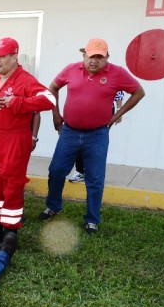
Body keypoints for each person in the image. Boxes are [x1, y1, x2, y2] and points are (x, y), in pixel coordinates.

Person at [39, 38, 145, 233]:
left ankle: (92, 219)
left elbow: (138, 92)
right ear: (83, 55)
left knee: (95, 178)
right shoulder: (71, 69)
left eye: (99, 57)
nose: (94, 61)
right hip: (69, 132)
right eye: (90, 56)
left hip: (97, 135)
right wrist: (56, 114)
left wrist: (116, 116)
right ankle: (53, 207)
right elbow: (52, 88)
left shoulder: (117, 73)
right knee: (56, 171)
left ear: (107, 58)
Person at [0, 38, 54, 247]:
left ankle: (10, 234)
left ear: (14, 57)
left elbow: (49, 99)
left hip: (15, 143)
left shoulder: (25, 80)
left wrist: (19, 102)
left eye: (2, 56)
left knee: (12, 188)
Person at [67, 91, 125, 183]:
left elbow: (119, 93)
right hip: (84, 110)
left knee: (98, 141)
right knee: (80, 139)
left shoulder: (111, 76)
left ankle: (94, 173)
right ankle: (80, 171)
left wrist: (119, 111)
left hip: (105, 110)